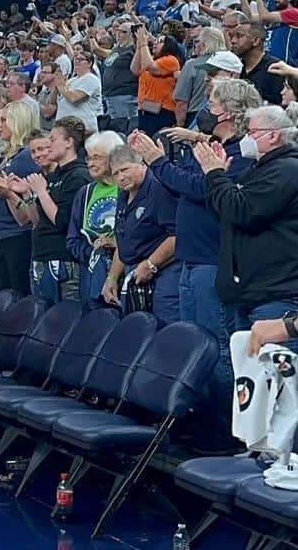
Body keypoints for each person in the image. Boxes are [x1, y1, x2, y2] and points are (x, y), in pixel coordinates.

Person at [128, 76, 259, 409]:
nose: (207, 109)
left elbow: (201, 189)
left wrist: (157, 160)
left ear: (229, 112)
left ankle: (226, 427)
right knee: (194, 346)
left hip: (213, 262)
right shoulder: (211, 147)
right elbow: (179, 186)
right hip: (191, 259)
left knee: (217, 347)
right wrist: (161, 163)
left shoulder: (240, 154)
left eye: (213, 104)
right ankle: (199, 420)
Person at [196, 104, 298, 338]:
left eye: (251, 132)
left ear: (273, 135)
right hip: (248, 291)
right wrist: (215, 177)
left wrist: (215, 174)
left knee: (271, 370)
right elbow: (224, 213)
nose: (246, 138)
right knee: (245, 369)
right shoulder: (257, 170)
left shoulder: (287, 170)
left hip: (275, 294)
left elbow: (243, 212)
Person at [12, 116, 91, 303]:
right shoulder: (53, 175)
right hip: (41, 256)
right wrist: (27, 195)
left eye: (53, 139)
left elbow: (62, 221)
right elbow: (38, 221)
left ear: (69, 143)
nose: (49, 145)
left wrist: (41, 191)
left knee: (63, 322)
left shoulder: (78, 176)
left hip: (63, 261)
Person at [101, 145, 179, 320]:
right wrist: (112, 277)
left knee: (165, 327)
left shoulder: (159, 189)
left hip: (165, 272)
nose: (121, 177)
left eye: (125, 169)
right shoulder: (123, 194)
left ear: (143, 164)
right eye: (115, 174)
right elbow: (124, 239)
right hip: (134, 273)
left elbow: (176, 236)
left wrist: (151, 264)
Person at [0, 99, 42, 295]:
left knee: (16, 296)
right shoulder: (6, 155)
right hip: (2, 233)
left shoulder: (25, 157)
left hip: (18, 235)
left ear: (18, 122)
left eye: (5, 120)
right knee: (2, 295)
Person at [65, 129, 123, 306]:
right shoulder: (85, 193)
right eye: (89, 158)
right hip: (91, 274)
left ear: (114, 157)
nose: (90, 164)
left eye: (96, 158)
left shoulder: (127, 189)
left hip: (124, 273)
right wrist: (93, 251)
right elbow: (72, 239)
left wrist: (115, 246)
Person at [132, 27, 182, 136]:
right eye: (155, 41)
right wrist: (139, 46)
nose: (155, 43)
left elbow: (151, 67)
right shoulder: (151, 59)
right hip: (145, 109)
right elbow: (134, 69)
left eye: (160, 42)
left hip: (162, 111)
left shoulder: (171, 60)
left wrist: (144, 43)